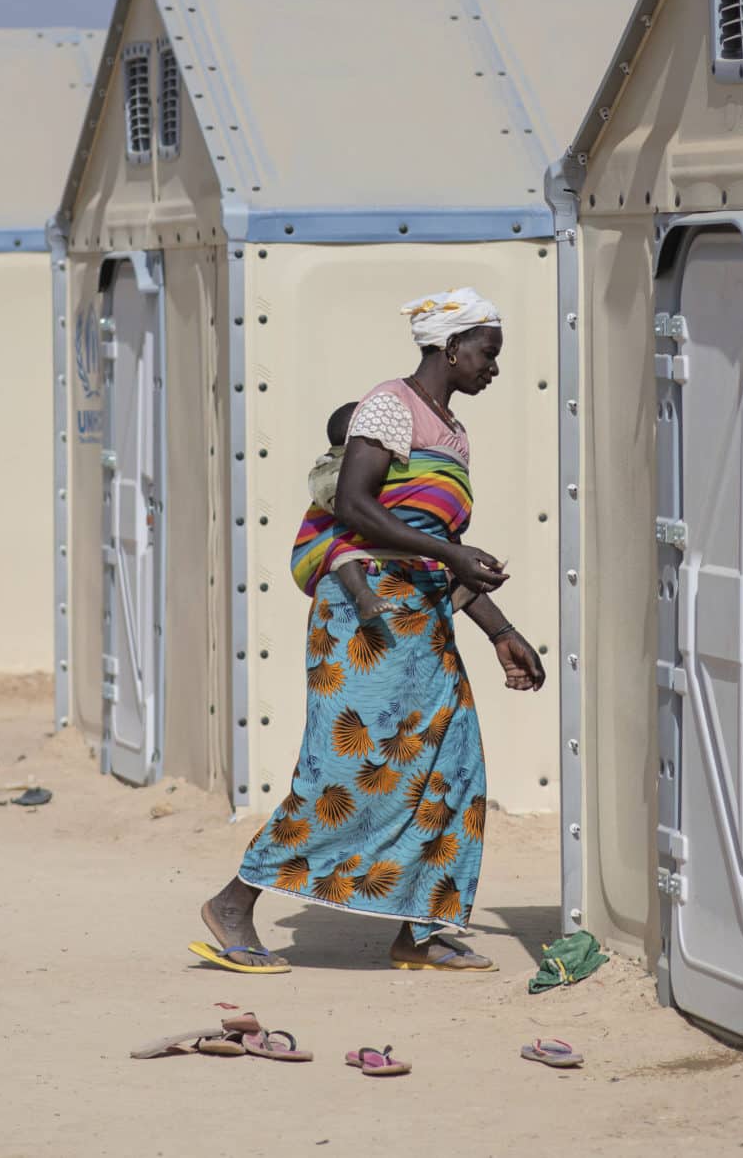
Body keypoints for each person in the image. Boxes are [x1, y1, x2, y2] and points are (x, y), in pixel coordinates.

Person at [197, 288, 545, 974]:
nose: (493, 368)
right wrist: (448, 554)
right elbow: (356, 505)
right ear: (451, 346)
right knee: (348, 771)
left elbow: (433, 541)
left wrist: (501, 630)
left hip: (426, 619)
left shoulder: (454, 433)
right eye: (487, 353)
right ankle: (234, 902)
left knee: (453, 768)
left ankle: (421, 928)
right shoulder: (388, 405)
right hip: (366, 621)